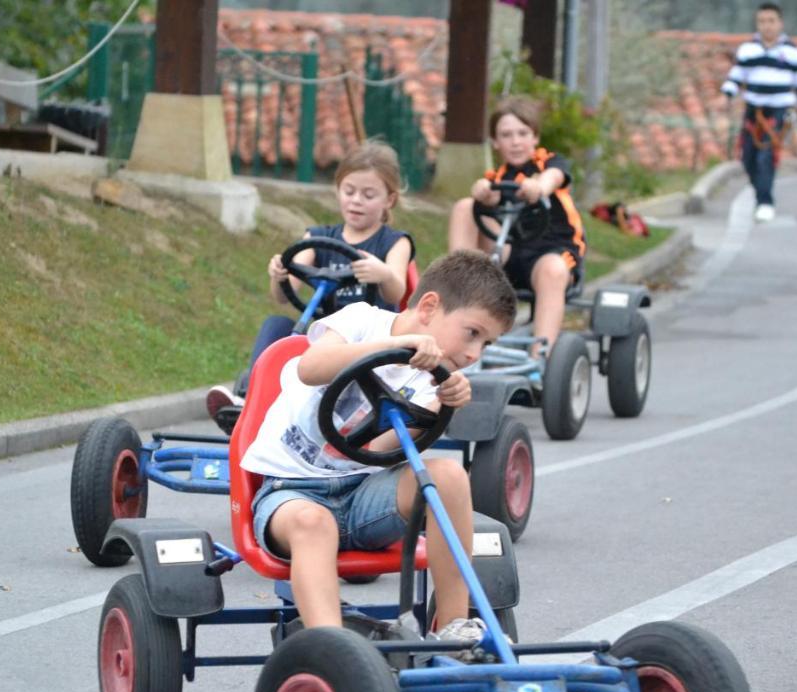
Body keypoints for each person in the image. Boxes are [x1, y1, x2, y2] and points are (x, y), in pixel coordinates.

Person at [240, 250, 517, 643]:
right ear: (429, 306)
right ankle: (331, 647)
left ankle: (454, 628)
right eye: (472, 333)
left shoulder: (435, 378)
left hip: (363, 497)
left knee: (450, 476)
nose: (474, 354)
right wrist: (397, 345)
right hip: (291, 492)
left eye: (486, 344)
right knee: (313, 523)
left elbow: (380, 447)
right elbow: (311, 367)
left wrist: (442, 404)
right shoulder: (361, 321)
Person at [205, 141, 416, 431]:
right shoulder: (318, 237)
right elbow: (282, 295)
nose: (356, 201)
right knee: (277, 324)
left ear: (389, 200)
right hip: (325, 340)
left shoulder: (394, 242)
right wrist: (279, 273)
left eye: (368, 195)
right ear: (338, 190)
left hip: (368, 342)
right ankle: (249, 399)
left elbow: (397, 292)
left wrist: (382, 274)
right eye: (349, 191)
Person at [447, 96, 587, 358]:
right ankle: (458, 285)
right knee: (466, 206)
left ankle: (539, 357)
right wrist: (482, 192)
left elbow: (553, 177)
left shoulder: (550, 163)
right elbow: (491, 196)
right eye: (506, 135)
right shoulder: (498, 177)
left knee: (552, 270)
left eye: (522, 133)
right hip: (510, 253)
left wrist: (539, 187)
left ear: (535, 137)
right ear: (495, 142)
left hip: (553, 252)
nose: (515, 141)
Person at [721, 2, 797, 223]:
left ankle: (765, 202)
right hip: (753, 112)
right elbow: (735, 77)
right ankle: (760, 191)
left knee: (766, 157)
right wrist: (725, 95)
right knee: (748, 158)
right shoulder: (748, 50)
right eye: (762, 21)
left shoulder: (791, 52)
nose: (767, 26)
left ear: (780, 23)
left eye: (771, 21)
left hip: (778, 112)